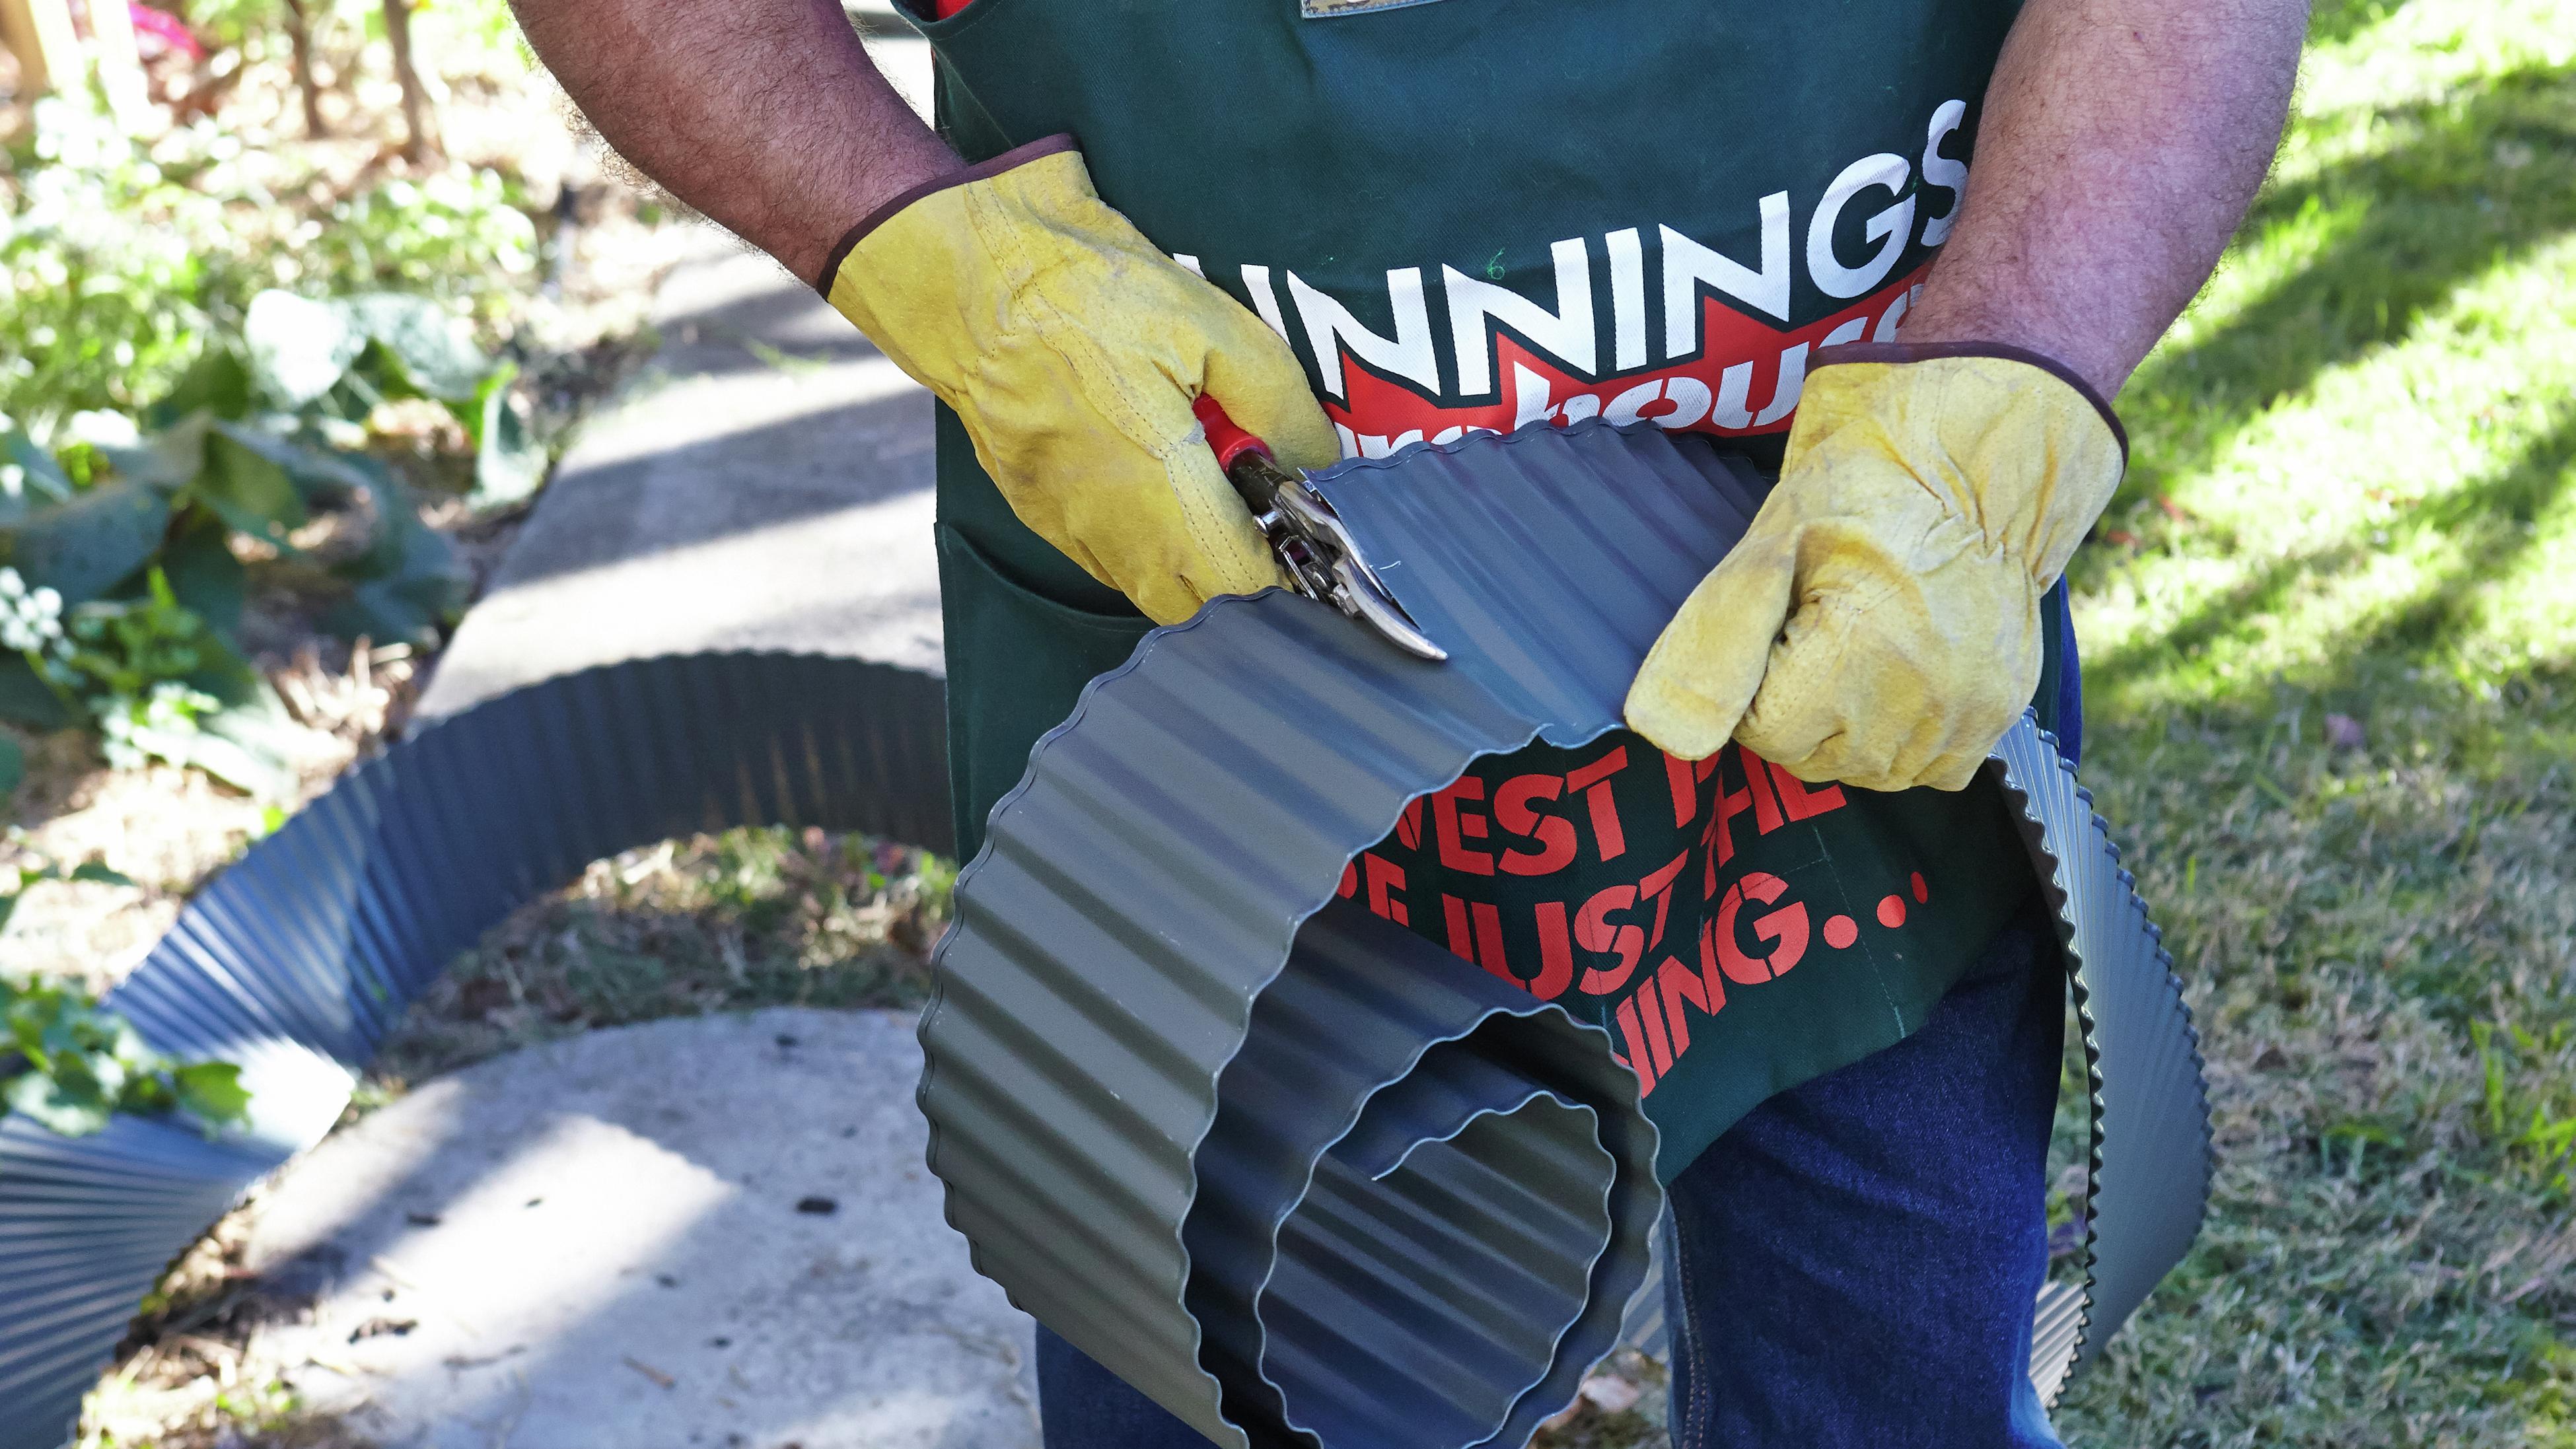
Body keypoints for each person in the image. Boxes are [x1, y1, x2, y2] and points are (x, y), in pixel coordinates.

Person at [506, 0, 2305, 1442]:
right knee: (1221, 1380)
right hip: (1228, 728)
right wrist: (904, 234)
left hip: (1853, 656)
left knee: (1886, 1393)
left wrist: (2018, 356)